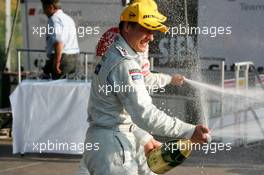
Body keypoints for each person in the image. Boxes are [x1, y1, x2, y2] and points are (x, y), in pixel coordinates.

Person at [80, 0, 210, 174]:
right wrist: (189, 130)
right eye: (146, 29)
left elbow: (122, 113)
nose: (151, 37)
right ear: (127, 27)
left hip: (113, 140)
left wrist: (144, 137)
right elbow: (144, 114)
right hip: (113, 148)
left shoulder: (119, 52)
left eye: (153, 30)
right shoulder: (125, 64)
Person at [41, 0, 80, 79]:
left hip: (63, 59)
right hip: (74, 59)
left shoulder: (54, 19)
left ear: (51, 7)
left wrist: (56, 64)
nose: (44, 12)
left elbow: (59, 43)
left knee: (54, 88)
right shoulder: (68, 18)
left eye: (44, 8)